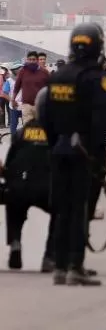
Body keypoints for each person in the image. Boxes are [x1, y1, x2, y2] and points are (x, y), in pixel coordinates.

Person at [42, 23, 106, 286]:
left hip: (58, 148)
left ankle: (59, 266)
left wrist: (53, 146)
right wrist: (95, 155)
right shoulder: (96, 78)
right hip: (83, 151)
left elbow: (45, 116)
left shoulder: (58, 75)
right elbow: (100, 121)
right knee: (79, 209)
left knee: (61, 209)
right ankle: (75, 266)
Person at [1, 92, 56, 271]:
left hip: (18, 185)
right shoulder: (58, 133)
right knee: (63, 211)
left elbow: (9, 164)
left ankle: (15, 242)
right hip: (46, 188)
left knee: (14, 206)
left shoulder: (21, 133)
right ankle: (50, 255)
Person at [12, 50, 49, 124]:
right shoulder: (23, 71)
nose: (31, 61)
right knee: (27, 129)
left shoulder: (44, 72)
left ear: (37, 60)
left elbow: (49, 88)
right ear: (27, 60)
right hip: (26, 105)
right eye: (30, 59)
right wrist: (13, 99)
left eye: (34, 59)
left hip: (40, 106)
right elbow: (17, 86)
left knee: (41, 127)